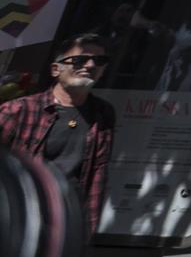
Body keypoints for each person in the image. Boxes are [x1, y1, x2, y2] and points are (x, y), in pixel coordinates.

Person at [0, 33, 116, 233]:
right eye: (79, 60)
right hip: (20, 216)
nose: (90, 65)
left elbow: (98, 172)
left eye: (99, 60)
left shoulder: (103, 113)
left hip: (65, 220)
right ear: (56, 69)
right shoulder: (18, 110)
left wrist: (86, 231)